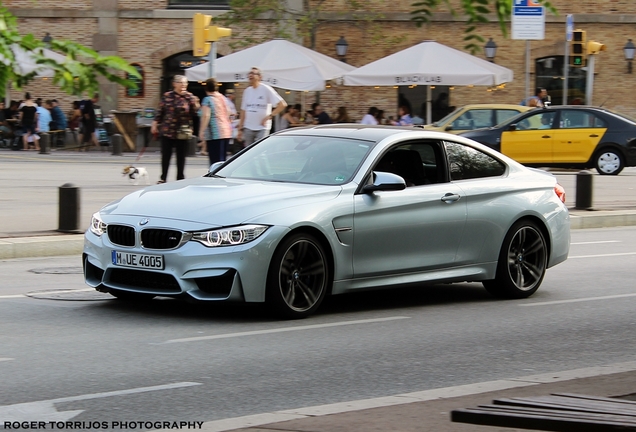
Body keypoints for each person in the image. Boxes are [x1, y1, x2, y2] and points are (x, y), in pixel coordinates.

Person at [151, 74, 200, 184]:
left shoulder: (190, 97)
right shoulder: (167, 96)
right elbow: (160, 111)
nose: (183, 85)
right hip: (167, 130)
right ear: (174, 84)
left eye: (185, 83)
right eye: (181, 82)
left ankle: (180, 178)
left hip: (182, 131)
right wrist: (154, 124)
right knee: (166, 156)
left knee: (181, 157)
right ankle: (163, 177)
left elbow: (195, 114)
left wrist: (196, 105)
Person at [237, 67, 287, 146]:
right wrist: (240, 128)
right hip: (248, 127)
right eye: (249, 73)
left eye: (253, 73)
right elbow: (243, 111)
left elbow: (282, 104)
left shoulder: (266, 89)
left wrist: (269, 116)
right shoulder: (247, 91)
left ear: (260, 77)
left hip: (262, 127)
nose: (250, 75)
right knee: (248, 152)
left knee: (260, 149)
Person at [198, 77, 232, 166]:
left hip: (215, 133)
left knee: (215, 162)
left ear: (206, 88)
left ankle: (215, 178)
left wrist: (201, 131)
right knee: (223, 161)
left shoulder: (207, 99)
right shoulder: (223, 98)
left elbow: (206, 115)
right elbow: (229, 112)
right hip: (226, 131)